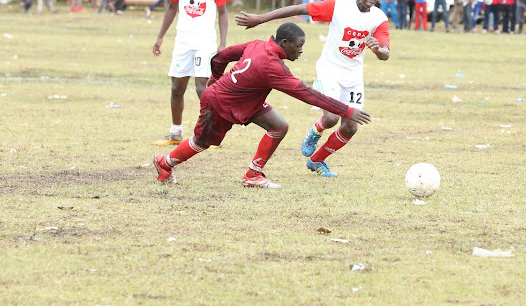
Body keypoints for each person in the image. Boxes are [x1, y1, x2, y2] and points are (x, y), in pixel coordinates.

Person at [154, 23, 371, 187]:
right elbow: (308, 95)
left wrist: (215, 76)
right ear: (285, 44)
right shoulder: (274, 68)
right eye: (299, 46)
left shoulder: (258, 44)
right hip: (220, 103)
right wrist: (347, 110)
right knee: (202, 142)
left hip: (247, 100)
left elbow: (222, 56)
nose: (301, 51)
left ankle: (253, 175)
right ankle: (165, 163)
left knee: (279, 126)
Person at [235, 0, 389, 177]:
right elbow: (299, 8)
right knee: (332, 117)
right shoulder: (338, 7)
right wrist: (262, 18)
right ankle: (316, 130)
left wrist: (378, 49)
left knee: (351, 127)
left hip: (353, 76)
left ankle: (316, 160)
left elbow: (385, 53)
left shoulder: (378, 18)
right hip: (330, 70)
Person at [152, 0, 230, 146]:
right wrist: (160, 37)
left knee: (201, 86)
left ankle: (213, 132)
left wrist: (222, 43)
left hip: (205, 41)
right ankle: (176, 132)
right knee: (177, 87)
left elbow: (223, 13)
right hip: (183, 41)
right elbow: (171, 8)